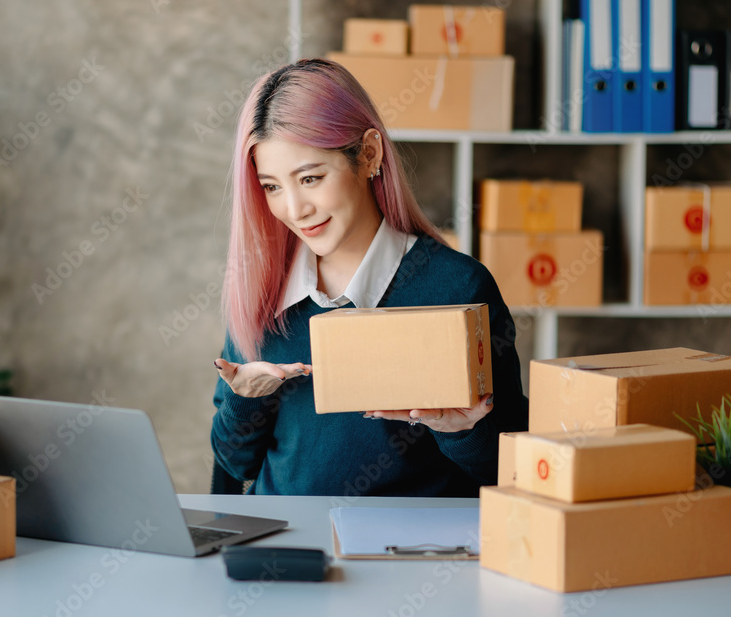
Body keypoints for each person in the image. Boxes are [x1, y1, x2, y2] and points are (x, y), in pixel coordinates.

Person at [210, 58, 528, 497]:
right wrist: (246, 402)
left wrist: (460, 431)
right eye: (271, 187)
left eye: (310, 177)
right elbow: (233, 463)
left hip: (410, 554)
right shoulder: (263, 290)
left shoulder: (458, 289)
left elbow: (510, 469)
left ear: (370, 154)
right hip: (289, 548)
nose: (294, 209)